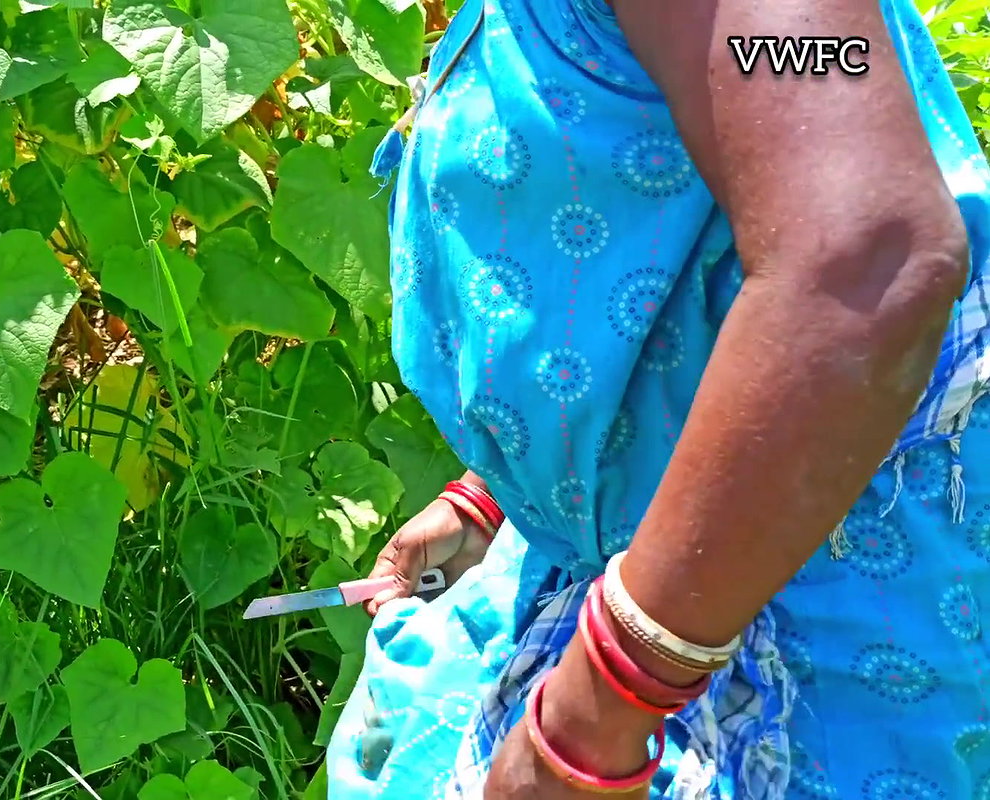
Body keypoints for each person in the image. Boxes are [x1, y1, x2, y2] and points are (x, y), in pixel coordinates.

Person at [324, 0, 990, 797]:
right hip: (649, 570)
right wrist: (499, 496)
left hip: (777, 590)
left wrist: (593, 718)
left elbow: (863, 255)